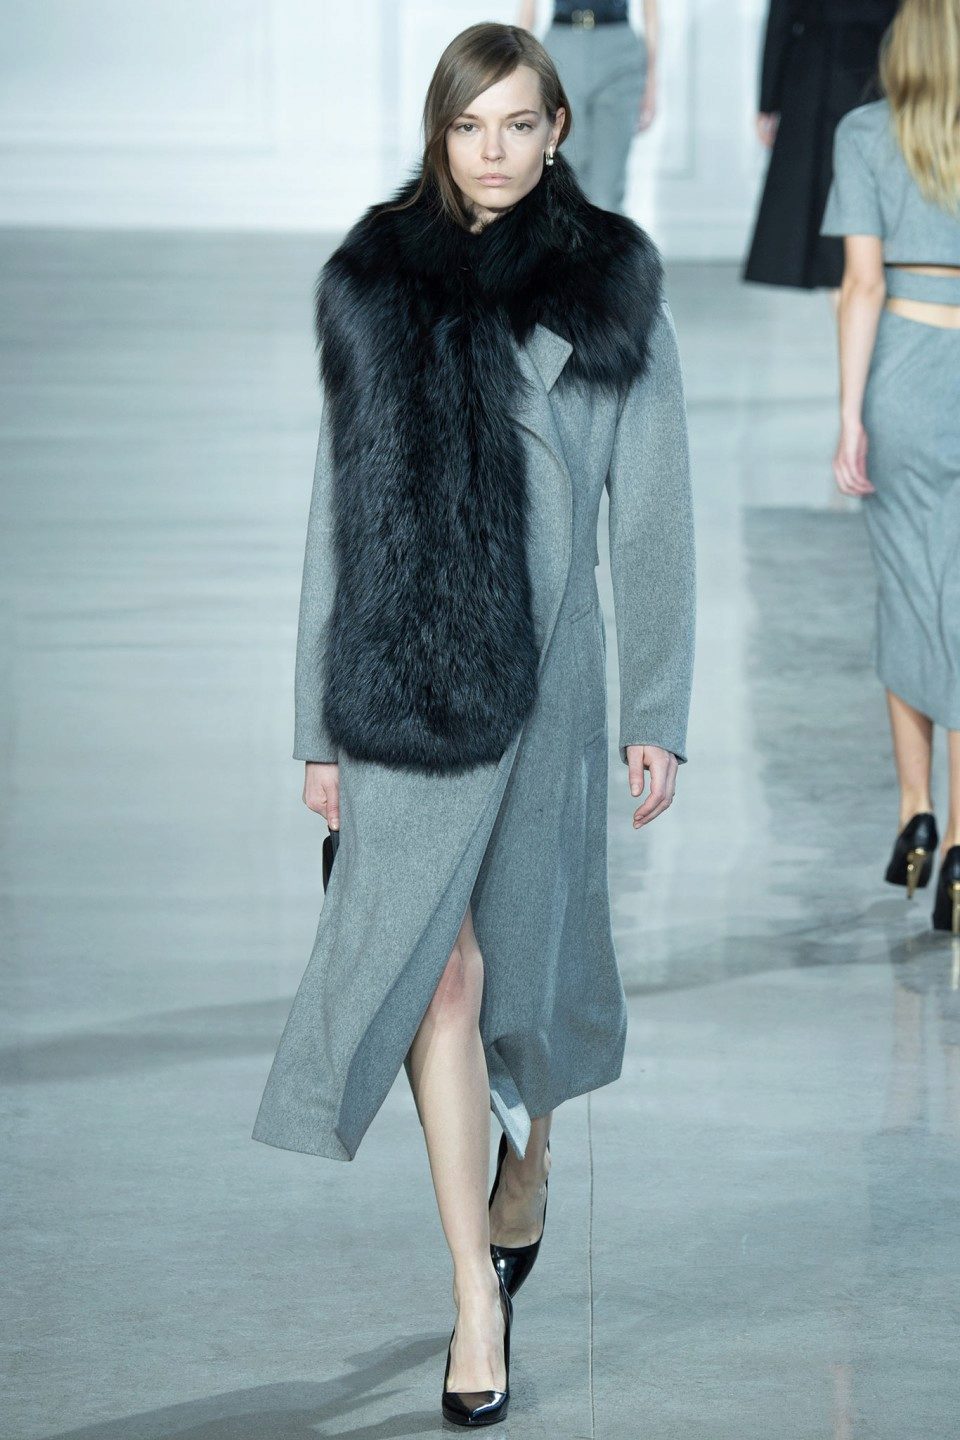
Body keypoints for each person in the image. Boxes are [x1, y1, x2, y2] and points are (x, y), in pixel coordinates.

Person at [251, 21, 696, 1428]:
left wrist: (658, 709)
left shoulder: (611, 286)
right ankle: (470, 1299)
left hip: (550, 685)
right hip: (403, 686)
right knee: (434, 981)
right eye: (468, 125)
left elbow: (655, 509)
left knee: (523, 977)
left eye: (517, 124)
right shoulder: (376, 282)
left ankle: (530, 1155)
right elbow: (337, 510)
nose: (492, 152)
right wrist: (317, 728)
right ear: (438, 134)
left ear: (559, 131)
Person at [820, 0, 960, 932]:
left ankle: (917, 813)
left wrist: (848, 415)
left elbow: (861, 284)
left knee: (911, 590)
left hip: (903, 372)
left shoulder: (866, 133)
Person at [743, 0, 899, 291]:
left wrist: (769, 101)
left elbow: (781, 18)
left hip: (816, 73)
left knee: (821, 204)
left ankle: (850, 310)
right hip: (881, 67)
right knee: (877, 194)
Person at [518, 0, 657, 212]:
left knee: (607, 189)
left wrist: (652, 80)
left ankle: (606, 233)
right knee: (566, 178)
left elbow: (651, 8)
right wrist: (520, 75)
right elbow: (529, 8)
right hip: (563, 46)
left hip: (618, 50)